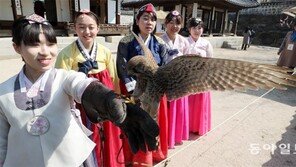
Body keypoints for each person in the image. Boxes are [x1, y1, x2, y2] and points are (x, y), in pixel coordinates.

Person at [0, 14, 159, 167]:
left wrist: (107, 99)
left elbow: (81, 84)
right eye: (34, 44)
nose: (45, 52)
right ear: (17, 47)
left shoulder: (64, 78)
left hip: (70, 159)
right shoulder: (3, 94)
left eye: (50, 43)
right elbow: (2, 144)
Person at [55, 9, 123, 167]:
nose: (87, 31)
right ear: (75, 28)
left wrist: (117, 100)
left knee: (108, 134)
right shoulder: (66, 54)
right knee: (86, 135)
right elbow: (60, 84)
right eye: (82, 27)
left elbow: (113, 79)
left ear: (98, 28)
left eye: (91, 27)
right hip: (82, 105)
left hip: (105, 102)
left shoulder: (105, 52)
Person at [116, 3, 168, 166]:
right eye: (145, 18)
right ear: (137, 20)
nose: (149, 23)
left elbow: (164, 66)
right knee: (135, 123)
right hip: (133, 91)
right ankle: (134, 158)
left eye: (153, 19)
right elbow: (122, 65)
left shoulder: (159, 42)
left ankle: (154, 155)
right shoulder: (126, 42)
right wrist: (134, 90)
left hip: (154, 91)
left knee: (154, 122)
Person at [160, 10, 190, 148]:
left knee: (179, 110)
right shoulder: (159, 40)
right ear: (165, 24)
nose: (174, 26)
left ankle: (176, 136)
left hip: (180, 80)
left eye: (178, 23)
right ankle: (165, 136)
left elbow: (188, 62)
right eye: (171, 22)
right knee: (165, 109)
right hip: (164, 80)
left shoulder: (183, 41)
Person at [186, 18, 213, 136]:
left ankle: (199, 126)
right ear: (189, 29)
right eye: (194, 28)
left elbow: (211, 61)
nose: (197, 30)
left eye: (199, 27)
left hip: (202, 77)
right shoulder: (184, 41)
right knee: (188, 102)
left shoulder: (206, 43)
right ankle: (188, 125)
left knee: (200, 103)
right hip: (187, 77)